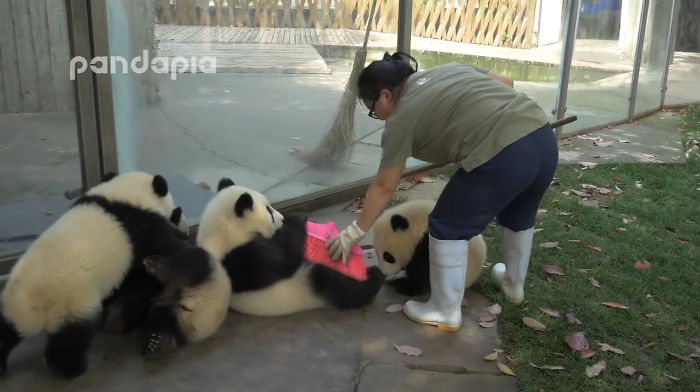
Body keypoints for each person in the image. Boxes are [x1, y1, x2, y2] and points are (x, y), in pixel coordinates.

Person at [325, 52, 558, 332]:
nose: (378, 116)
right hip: (542, 137)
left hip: (504, 155)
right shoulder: (448, 69)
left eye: (373, 110)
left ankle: (444, 310)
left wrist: (355, 231)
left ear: (385, 96)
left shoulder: (400, 119)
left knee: (446, 224)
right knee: (518, 215)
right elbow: (505, 82)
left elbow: (385, 186)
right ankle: (513, 285)